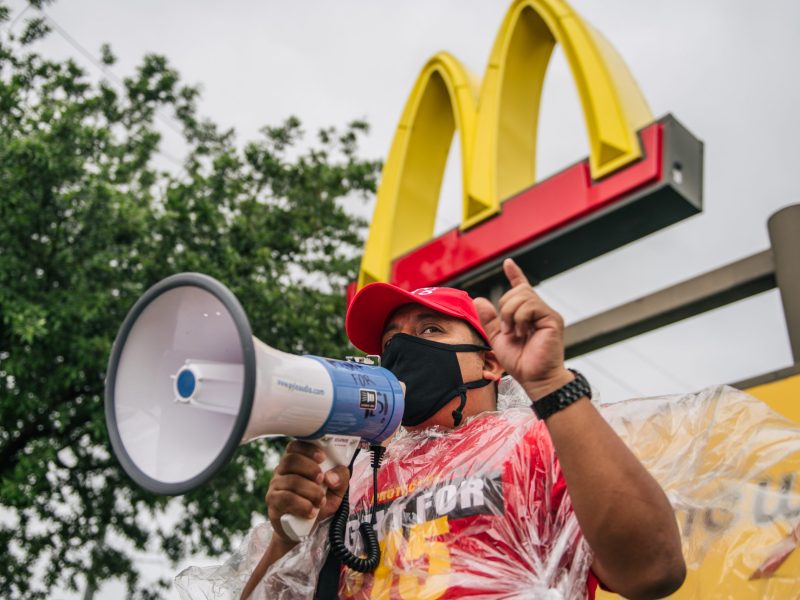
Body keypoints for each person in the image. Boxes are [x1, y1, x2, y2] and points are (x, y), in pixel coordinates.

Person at [242, 258, 686, 599]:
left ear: (490, 362)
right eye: (391, 344)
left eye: (431, 329)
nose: (403, 352)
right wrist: (290, 538)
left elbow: (654, 569)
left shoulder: (538, 441)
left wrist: (551, 384)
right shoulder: (353, 480)